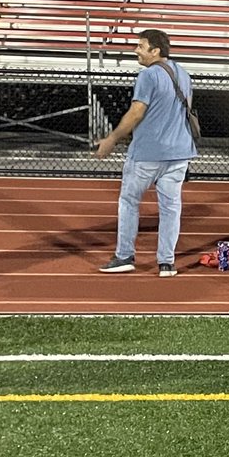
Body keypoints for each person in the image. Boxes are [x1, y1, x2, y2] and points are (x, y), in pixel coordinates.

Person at [95, 29, 198, 277]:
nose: (136, 51)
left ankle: (124, 256)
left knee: (129, 202)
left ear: (156, 50)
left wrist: (112, 139)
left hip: (147, 153)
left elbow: (136, 112)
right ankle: (166, 263)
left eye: (141, 46)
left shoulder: (148, 76)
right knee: (171, 208)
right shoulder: (182, 73)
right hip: (179, 152)